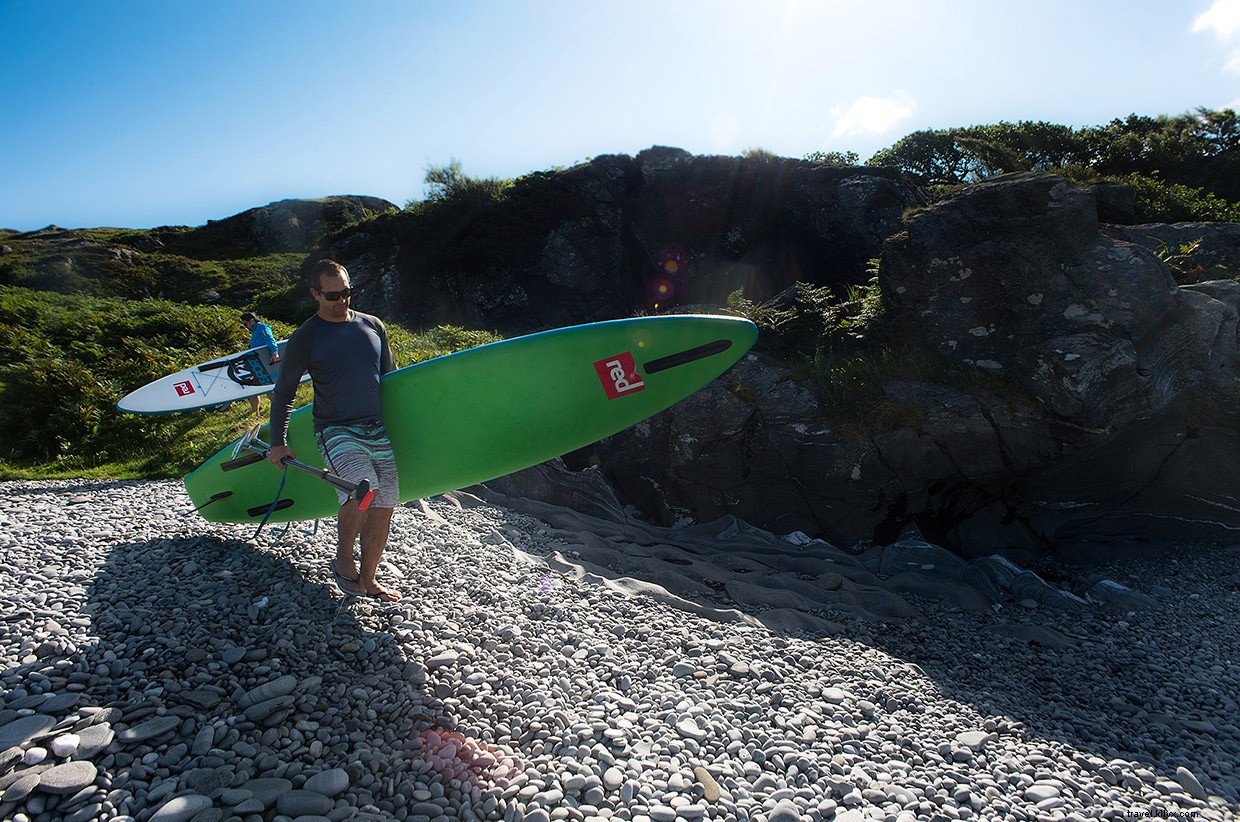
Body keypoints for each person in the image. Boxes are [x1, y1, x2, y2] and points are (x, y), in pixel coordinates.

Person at [267, 260, 402, 601]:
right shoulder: (306, 337)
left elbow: (392, 381)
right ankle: (343, 558)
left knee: (384, 504)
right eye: (332, 295)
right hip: (336, 430)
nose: (342, 300)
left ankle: (368, 580)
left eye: (346, 292)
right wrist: (277, 443)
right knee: (363, 490)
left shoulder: (372, 326)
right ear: (315, 293)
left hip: (375, 429)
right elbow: (284, 392)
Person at [240, 311, 281, 414]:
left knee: (268, 387)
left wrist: (275, 352)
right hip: (256, 364)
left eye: (246, 324)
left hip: (264, 363)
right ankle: (255, 414)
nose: (246, 326)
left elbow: (270, 339)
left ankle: (282, 409)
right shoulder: (255, 332)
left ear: (252, 320)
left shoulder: (262, 327)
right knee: (253, 387)